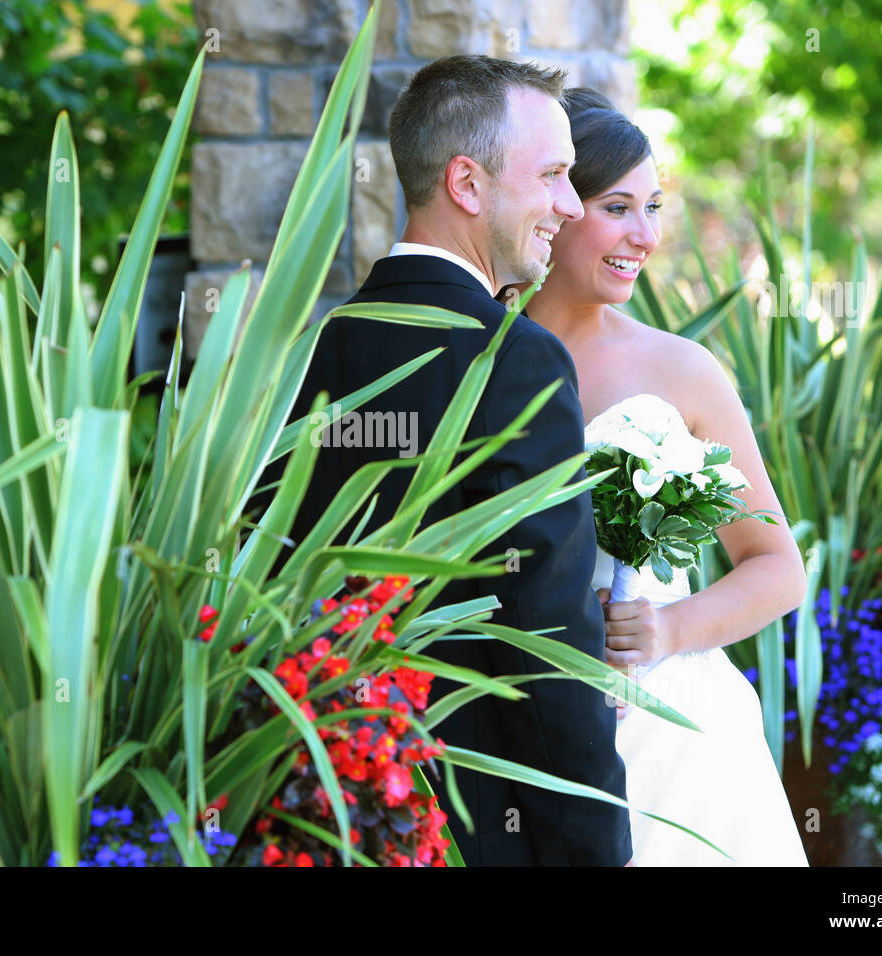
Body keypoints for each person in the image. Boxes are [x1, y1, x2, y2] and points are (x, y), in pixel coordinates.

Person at [274, 57, 633, 865]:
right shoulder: (513, 359)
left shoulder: (308, 350)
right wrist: (593, 847)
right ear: (467, 184)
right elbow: (546, 633)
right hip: (468, 818)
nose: (569, 207)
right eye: (552, 176)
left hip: (314, 803)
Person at [521, 88, 810, 865]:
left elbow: (779, 566)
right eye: (619, 207)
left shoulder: (682, 370)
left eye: (654, 207)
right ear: (555, 204)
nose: (645, 235)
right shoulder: (478, 365)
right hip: (516, 728)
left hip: (678, 735)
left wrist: (666, 631)